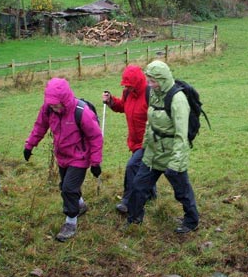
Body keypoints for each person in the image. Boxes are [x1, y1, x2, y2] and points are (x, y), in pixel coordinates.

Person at [24, 78, 103, 242]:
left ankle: (70, 222)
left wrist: (95, 163)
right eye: (51, 105)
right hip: (62, 155)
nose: (54, 107)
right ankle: (80, 205)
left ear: (65, 100)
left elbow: (96, 137)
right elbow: (40, 127)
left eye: (56, 105)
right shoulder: (48, 109)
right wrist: (30, 145)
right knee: (66, 186)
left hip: (80, 157)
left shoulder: (82, 112)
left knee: (68, 188)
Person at [126, 60, 199, 234]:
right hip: (153, 151)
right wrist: (145, 145)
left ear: (163, 79)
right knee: (138, 186)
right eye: (148, 80)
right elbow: (150, 122)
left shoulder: (178, 99)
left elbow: (182, 135)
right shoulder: (152, 93)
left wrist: (175, 163)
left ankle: (191, 221)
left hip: (172, 152)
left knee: (181, 191)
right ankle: (134, 222)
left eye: (153, 81)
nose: (149, 84)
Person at [102, 65, 155, 214]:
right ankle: (151, 194)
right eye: (126, 85)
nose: (128, 88)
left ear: (138, 82)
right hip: (134, 141)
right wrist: (111, 101)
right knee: (144, 170)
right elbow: (123, 107)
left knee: (132, 166)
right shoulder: (127, 93)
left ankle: (127, 201)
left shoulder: (149, 94)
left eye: (130, 85)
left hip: (149, 142)